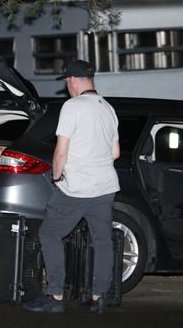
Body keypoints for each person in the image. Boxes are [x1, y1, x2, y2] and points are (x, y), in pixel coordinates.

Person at [23, 60, 120, 314]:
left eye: (67, 82)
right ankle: (98, 297)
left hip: (75, 188)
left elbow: (61, 151)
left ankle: (55, 296)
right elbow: (115, 152)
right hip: (106, 186)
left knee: (50, 234)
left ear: (72, 81)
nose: (67, 87)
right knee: (102, 241)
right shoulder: (108, 108)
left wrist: (57, 178)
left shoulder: (72, 107)